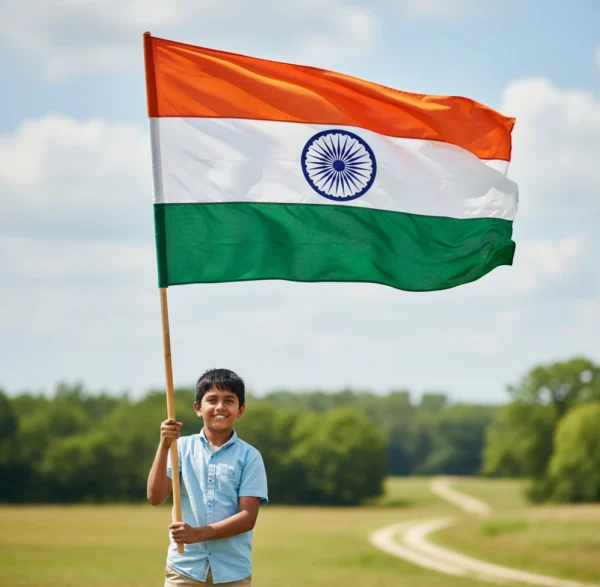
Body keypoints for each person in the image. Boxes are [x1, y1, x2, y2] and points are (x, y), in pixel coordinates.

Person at [147, 368, 268, 586]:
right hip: (184, 570)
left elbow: (247, 518)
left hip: (232, 572)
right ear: (198, 408)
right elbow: (155, 497)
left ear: (240, 410)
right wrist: (164, 445)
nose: (220, 407)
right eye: (211, 400)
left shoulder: (250, 456)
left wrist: (197, 534)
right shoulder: (180, 449)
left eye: (229, 400)